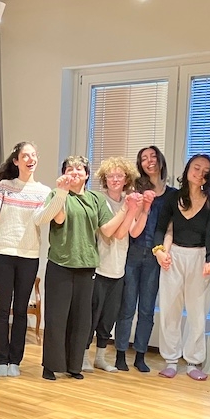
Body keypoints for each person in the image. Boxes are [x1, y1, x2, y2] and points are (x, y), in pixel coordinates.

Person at [39, 156, 137, 380]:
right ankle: (51, 366)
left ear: (86, 174)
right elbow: (60, 219)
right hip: (60, 264)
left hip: (87, 266)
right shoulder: (57, 195)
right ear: (64, 173)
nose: (75, 172)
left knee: (81, 320)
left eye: (79, 169)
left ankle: (74, 366)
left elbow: (108, 230)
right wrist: (62, 191)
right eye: (70, 168)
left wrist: (126, 209)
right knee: (57, 317)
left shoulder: (95, 199)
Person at [0, 142, 52, 377]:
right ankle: (0, 359)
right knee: (3, 308)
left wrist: (59, 195)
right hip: (3, 253)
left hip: (29, 255)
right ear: (16, 161)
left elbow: (42, 219)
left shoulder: (43, 191)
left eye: (33, 155)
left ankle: (15, 360)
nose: (30, 159)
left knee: (20, 309)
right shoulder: (5, 186)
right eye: (25, 155)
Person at [153, 154, 210, 380]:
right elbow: (160, 229)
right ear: (188, 168)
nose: (199, 172)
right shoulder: (172, 198)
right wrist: (160, 251)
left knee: (197, 312)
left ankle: (193, 361)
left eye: (205, 171)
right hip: (174, 256)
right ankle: (170, 359)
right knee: (170, 308)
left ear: (208, 178)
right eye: (196, 167)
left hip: (199, 257)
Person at [82, 157, 144, 374]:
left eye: (119, 175)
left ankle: (100, 357)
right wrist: (128, 210)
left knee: (108, 317)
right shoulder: (99, 200)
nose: (115, 179)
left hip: (119, 269)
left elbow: (134, 231)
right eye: (111, 176)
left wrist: (143, 208)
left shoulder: (129, 200)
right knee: (91, 316)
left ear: (126, 178)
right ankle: (83, 357)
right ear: (104, 179)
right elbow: (113, 232)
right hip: (99, 267)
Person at [114, 146, 174, 372]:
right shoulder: (136, 190)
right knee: (127, 306)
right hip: (132, 253)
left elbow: (170, 228)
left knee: (147, 309)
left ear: (160, 159)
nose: (149, 161)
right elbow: (133, 226)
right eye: (144, 159)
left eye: (153, 157)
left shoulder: (172, 195)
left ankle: (140, 354)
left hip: (154, 257)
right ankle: (120, 353)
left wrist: (163, 252)